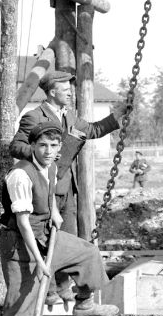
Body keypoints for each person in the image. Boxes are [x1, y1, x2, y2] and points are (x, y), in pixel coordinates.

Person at [0, 121, 118, 316]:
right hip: (20, 245)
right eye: (42, 145)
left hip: (45, 235)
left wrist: (53, 211)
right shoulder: (20, 175)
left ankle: (84, 304)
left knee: (87, 253)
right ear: (32, 146)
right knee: (21, 302)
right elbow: (23, 224)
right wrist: (41, 263)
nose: (48, 151)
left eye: (53, 145)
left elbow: (50, 191)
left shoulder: (52, 166)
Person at [11, 69, 121, 237]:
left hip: (66, 188)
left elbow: (93, 130)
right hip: (43, 190)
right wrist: (41, 154)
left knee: (68, 238)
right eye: (66, 90)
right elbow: (16, 146)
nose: (70, 94)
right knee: (45, 238)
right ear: (52, 92)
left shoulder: (69, 116)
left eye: (70, 90)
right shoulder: (34, 117)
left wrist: (119, 114)